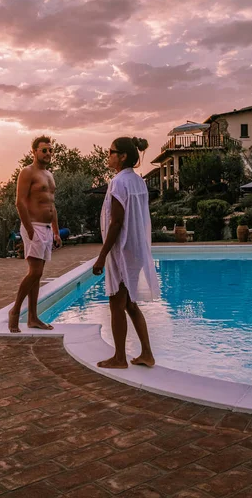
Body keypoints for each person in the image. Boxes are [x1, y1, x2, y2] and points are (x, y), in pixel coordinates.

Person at [92, 137, 159, 368]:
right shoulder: (138, 182)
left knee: (116, 304)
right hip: (136, 249)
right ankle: (147, 354)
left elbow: (117, 222)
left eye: (111, 152)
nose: (108, 155)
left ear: (122, 156)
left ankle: (120, 358)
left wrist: (102, 255)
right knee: (129, 303)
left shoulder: (119, 182)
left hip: (122, 251)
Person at [8, 136, 62, 333]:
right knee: (35, 272)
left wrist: (56, 231)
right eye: (44, 150)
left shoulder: (49, 175)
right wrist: (29, 229)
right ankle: (15, 312)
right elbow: (19, 201)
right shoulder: (27, 172)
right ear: (34, 152)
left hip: (47, 228)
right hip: (34, 226)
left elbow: (52, 205)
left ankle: (32, 317)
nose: (48, 153)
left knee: (38, 275)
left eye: (50, 150)